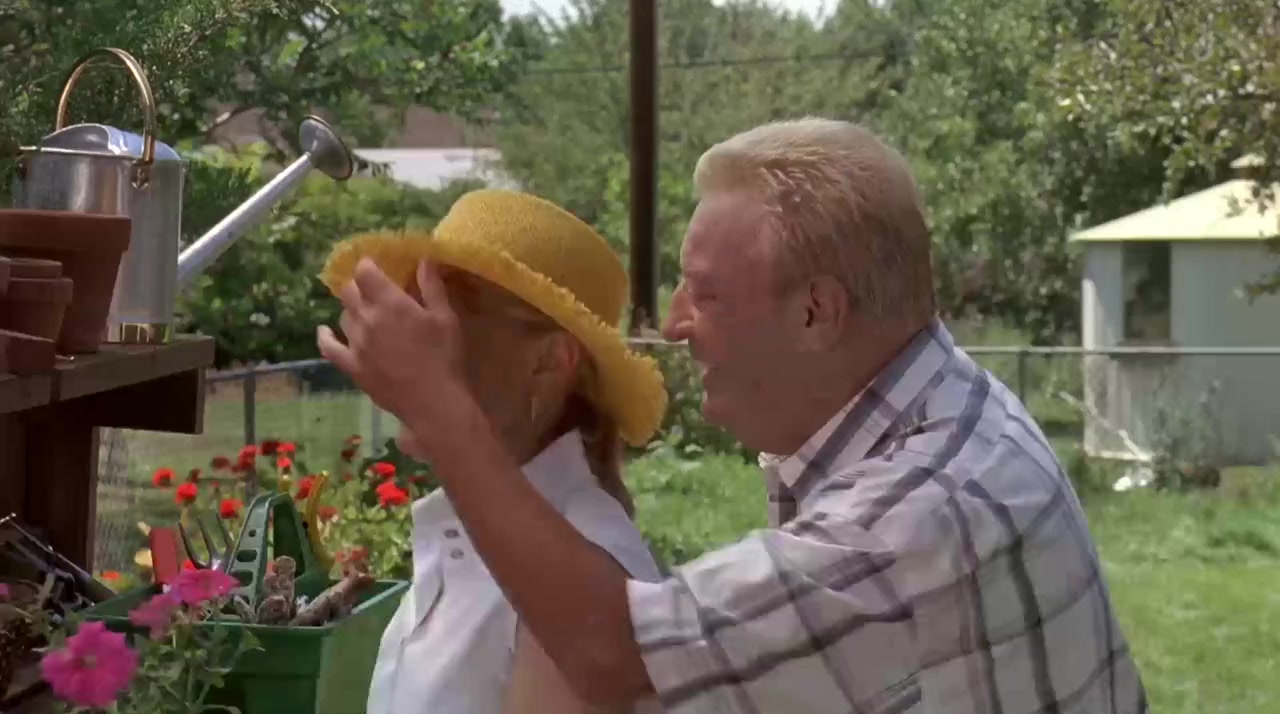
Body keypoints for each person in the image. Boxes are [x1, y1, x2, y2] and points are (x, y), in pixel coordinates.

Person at [319, 118, 1148, 713]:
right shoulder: (954, 417)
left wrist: (439, 405)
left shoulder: (910, 515)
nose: (676, 322)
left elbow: (614, 654)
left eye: (706, 292)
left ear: (816, 313)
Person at [318, 189, 669, 714]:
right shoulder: (477, 538)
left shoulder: (577, 578)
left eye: (439, 321)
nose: (404, 347)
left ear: (549, 362)